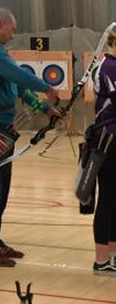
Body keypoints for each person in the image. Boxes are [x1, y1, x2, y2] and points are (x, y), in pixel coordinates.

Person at [0, 8, 58, 267]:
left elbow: (15, 85)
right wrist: (47, 87)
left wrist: (43, 106)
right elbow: (17, 75)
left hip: (3, 126)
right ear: (2, 24)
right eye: (12, 28)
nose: (13, 33)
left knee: (0, 189)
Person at [89, 30, 116, 275]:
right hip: (108, 140)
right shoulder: (108, 67)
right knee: (107, 198)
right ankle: (101, 259)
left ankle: (112, 255)